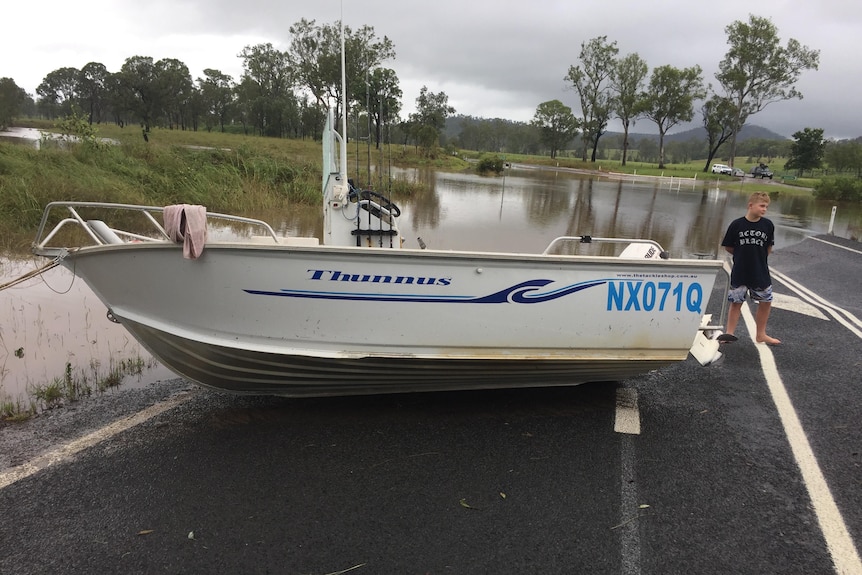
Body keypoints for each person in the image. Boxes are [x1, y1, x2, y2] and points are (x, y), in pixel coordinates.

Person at [720, 191, 781, 345]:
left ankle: (761, 334)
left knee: (766, 301)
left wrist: (758, 258)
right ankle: (729, 333)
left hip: (760, 271)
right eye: (762, 206)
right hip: (740, 270)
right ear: (750, 205)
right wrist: (741, 254)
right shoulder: (737, 225)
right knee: (736, 301)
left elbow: (768, 248)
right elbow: (728, 246)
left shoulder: (768, 225)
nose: (764, 209)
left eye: (766, 207)